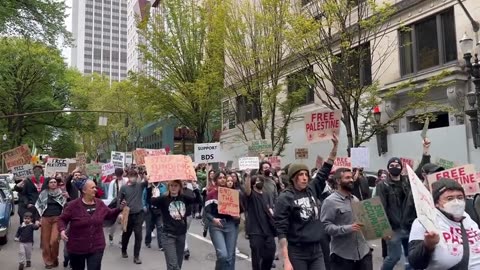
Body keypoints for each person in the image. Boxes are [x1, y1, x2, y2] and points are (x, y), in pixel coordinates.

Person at [274, 134, 338, 270]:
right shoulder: (285, 198)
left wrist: (335, 147)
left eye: (306, 174)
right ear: (292, 178)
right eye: (300, 175)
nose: (304, 178)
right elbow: (281, 230)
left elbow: (325, 170)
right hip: (297, 252)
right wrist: (286, 260)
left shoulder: (312, 188)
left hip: (316, 249)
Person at [408, 178, 480, 269]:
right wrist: (427, 245)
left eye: (460, 197)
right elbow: (415, 263)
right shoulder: (424, 222)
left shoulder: (469, 218)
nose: (456, 202)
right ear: (437, 203)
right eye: (449, 198)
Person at [59, 178, 125, 270]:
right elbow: (62, 219)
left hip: (96, 246)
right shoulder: (73, 206)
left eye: (95, 187)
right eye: (92, 187)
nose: (95, 189)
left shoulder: (100, 204)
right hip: (77, 247)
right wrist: (62, 230)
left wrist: (119, 209)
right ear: (84, 190)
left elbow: (109, 214)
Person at [321, 168, 372, 269]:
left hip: (363, 254)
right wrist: (348, 228)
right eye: (347, 178)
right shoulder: (330, 202)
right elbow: (325, 226)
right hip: (343, 257)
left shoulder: (355, 199)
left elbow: (364, 222)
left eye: (352, 177)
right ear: (338, 181)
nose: (351, 180)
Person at [376, 157, 416, 270]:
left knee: (412, 258)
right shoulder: (383, 185)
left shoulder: (408, 182)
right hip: (394, 229)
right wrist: (383, 229)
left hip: (409, 227)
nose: (395, 167)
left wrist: (425, 151)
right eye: (392, 165)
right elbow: (380, 207)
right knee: (394, 257)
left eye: (397, 165)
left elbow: (420, 172)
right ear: (388, 168)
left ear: (401, 167)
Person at [151, 180, 196, 270]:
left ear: (179, 187)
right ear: (168, 187)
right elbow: (152, 202)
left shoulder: (184, 198)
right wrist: (150, 189)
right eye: (171, 185)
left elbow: (198, 200)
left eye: (175, 185)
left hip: (181, 235)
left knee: (177, 265)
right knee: (174, 265)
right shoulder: (164, 199)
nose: (173, 187)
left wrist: (195, 186)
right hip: (168, 235)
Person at [204, 172, 241, 270]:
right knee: (223, 255)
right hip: (217, 226)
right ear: (216, 180)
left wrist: (237, 216)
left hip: (231, 225)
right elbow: (206, 212)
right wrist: (213, 219)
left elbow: (240, 209)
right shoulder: (211, 194)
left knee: (229, 256)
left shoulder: (232, 193)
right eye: (220, 178)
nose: (223, 179)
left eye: (224, 177)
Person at [244, 174, 276, 270]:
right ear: (253, 184)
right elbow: (247, 190)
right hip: (255, 231)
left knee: (270, 254)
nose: (260, 182)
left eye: (261, 180)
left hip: (268, 229)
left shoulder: (266, 194)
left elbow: (269, 206)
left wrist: (271, 211)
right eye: (257, 181)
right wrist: (248, 176)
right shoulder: (251, 195)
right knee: (257, 257)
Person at [35, 177, 67, 269]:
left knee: (54, 241)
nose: (53, 183)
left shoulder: (62, 193)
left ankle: (54, 258)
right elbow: (38, 207)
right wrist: (37, 219)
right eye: (51, 182)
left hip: (58, 219)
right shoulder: (43, 193)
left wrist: (67, 198)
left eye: (54, 182)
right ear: (48, 184)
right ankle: (48, 261)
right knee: (45, 242)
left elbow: (67, 206)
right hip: (45, 218)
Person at [119, 169, 148, 264]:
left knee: (138, 236)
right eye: (131, 176)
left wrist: (146, 174)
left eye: (135, 176)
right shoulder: (123, 188)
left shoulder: (140, 186)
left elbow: (148, 181)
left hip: (139, 214)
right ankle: (124, 250)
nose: (133, 178)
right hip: (128, 215)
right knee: (126, 234)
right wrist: (120, 211)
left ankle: (136, 256)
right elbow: (119, 201)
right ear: (128, 177)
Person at [107, 168, 127, 245]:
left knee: (124, 222)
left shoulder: (126, 181)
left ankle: (122, 239)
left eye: (120, 176)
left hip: (125, 204)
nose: (119, 177)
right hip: (116, 205)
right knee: (114, 223)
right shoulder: (113, 183)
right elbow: (110, 195)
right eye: (118, 176)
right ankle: (111, 235)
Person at [145, 181, 167, 250]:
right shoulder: (148, 187)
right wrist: (144, 206)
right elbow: (144, 197)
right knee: (149, 227)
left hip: (159, 210)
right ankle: (147, 241)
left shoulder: (163, 187)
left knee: (160, 227)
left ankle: (161, 245)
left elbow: (165, 198)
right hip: (150, 210)